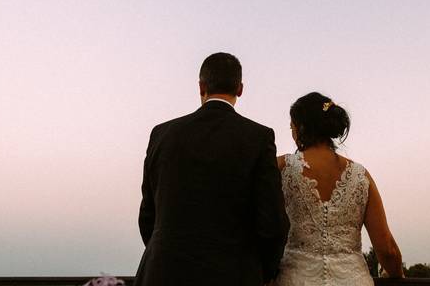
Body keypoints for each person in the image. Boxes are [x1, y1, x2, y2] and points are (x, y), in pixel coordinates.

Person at [134, 53, 289, 286]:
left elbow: (148, 215)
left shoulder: (162, 134)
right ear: (240, 88)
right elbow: (272, 222)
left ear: (201, 86)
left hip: (163, 272)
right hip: (233, 274)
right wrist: (262, 271)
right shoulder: (258, 137)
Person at [275, 92, 404, 284]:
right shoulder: (361, 176)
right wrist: (396, 275)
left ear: (301, 127)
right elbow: (387, 249)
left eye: (292, 127)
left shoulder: (280, 168)